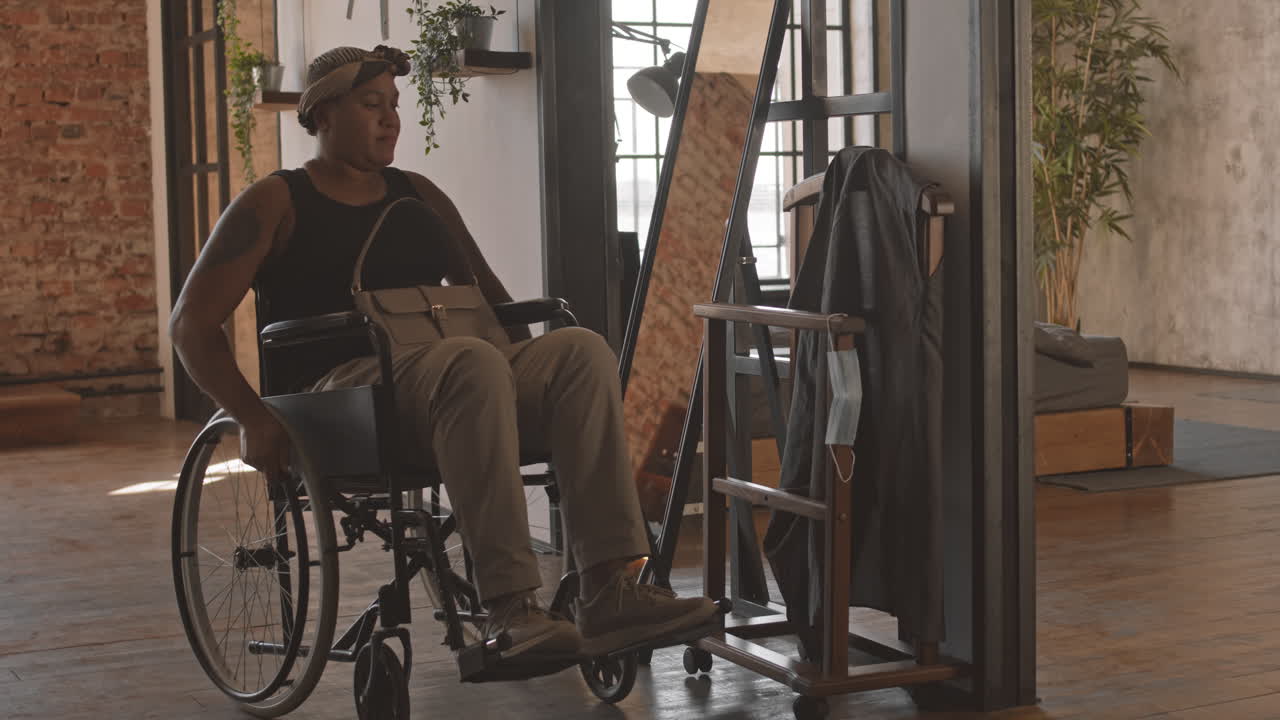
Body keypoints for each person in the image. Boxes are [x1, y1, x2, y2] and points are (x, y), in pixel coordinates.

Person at [168, 45, 716, 659]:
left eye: (395, 105)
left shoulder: (418, 195)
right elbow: (191, 324)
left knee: (580, 351)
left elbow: (496, 304)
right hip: (341, 396)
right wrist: (252, 416)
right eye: (371, 104)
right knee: (470, 361)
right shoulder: (277, 200)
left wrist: (539, 389)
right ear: (321, 115)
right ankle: (510, 610)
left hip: (448, 379)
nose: (390, 118)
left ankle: (610, 588)